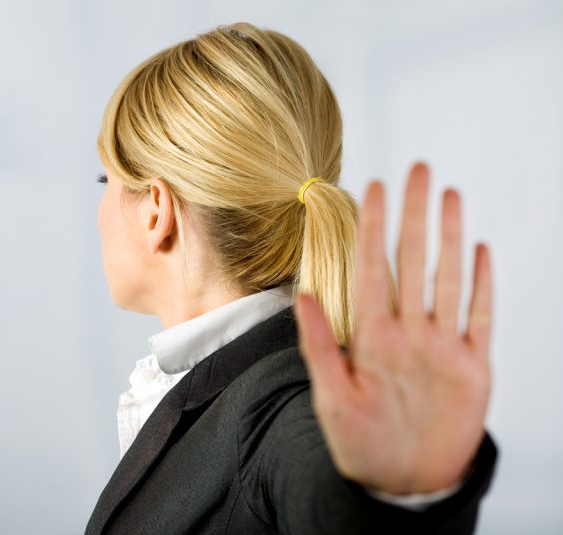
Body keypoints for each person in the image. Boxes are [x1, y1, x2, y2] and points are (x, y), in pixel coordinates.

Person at [86, 22, 497, 534]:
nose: (99, 208)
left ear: (156, 211)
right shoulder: (249, 383)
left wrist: (400, 493)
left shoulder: (280, 403)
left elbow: (323, 488)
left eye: (108, 180)